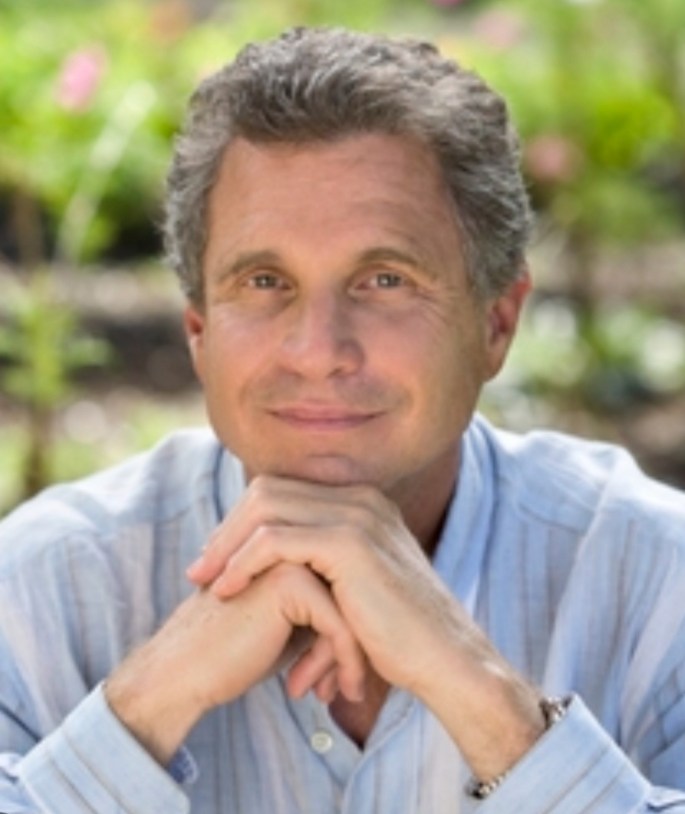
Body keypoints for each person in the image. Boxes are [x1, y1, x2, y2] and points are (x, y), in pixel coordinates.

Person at [1, 25, 684, 814]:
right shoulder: (42, 587)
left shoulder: (657, 580)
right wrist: (148, 705)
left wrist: (484, 698)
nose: (318, 351)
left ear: (495, 324)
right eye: (264, 281)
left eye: (384, 280)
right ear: (199, 332)